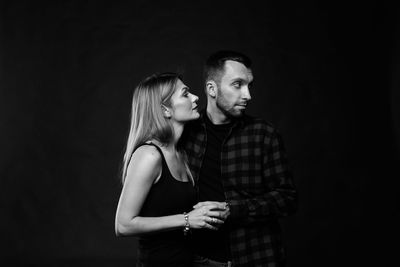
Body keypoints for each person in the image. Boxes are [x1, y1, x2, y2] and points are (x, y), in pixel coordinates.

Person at [180, 51, 298, 267]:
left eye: (249, 85)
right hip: (197, 259)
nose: (247, 95)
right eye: (237, 85)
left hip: (256, 257)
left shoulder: (263, 134)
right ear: (211, 89)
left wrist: (233, 209)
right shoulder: (186, 134)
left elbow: (287, 199)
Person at [114, 72, 230, 267]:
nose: (195, 97)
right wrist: (187, 219)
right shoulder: (149, 156)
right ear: (165, 110)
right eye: (185, 94)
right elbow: (123, 225)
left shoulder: (181, 153)